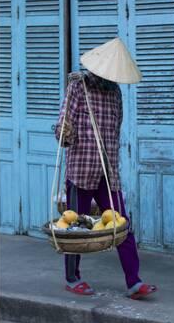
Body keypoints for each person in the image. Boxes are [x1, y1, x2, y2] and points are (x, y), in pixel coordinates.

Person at [55, 37, 157, 299]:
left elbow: (116, 128)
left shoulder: (114, 92)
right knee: (74, 229)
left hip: (108, 172)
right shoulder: (79, 86)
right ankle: (71, 277)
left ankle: (134, 282)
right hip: (81, 170)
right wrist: (65, 132)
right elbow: (63, 126)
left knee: (121, 225)